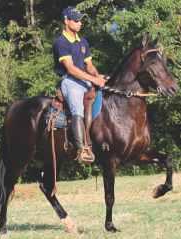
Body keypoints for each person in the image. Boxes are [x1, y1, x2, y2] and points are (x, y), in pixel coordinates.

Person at [53, 6, 106, 163]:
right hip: (70, 81)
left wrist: (98, 76)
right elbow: (70, 69)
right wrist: (93, 80)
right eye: (76, 20)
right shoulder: (60, 42)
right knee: (78, 107)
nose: (79, 23)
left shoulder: (82, 41)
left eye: (80, 20)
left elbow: (88, 65)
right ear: (66, 21)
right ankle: (81, 148)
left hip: (85, 80)